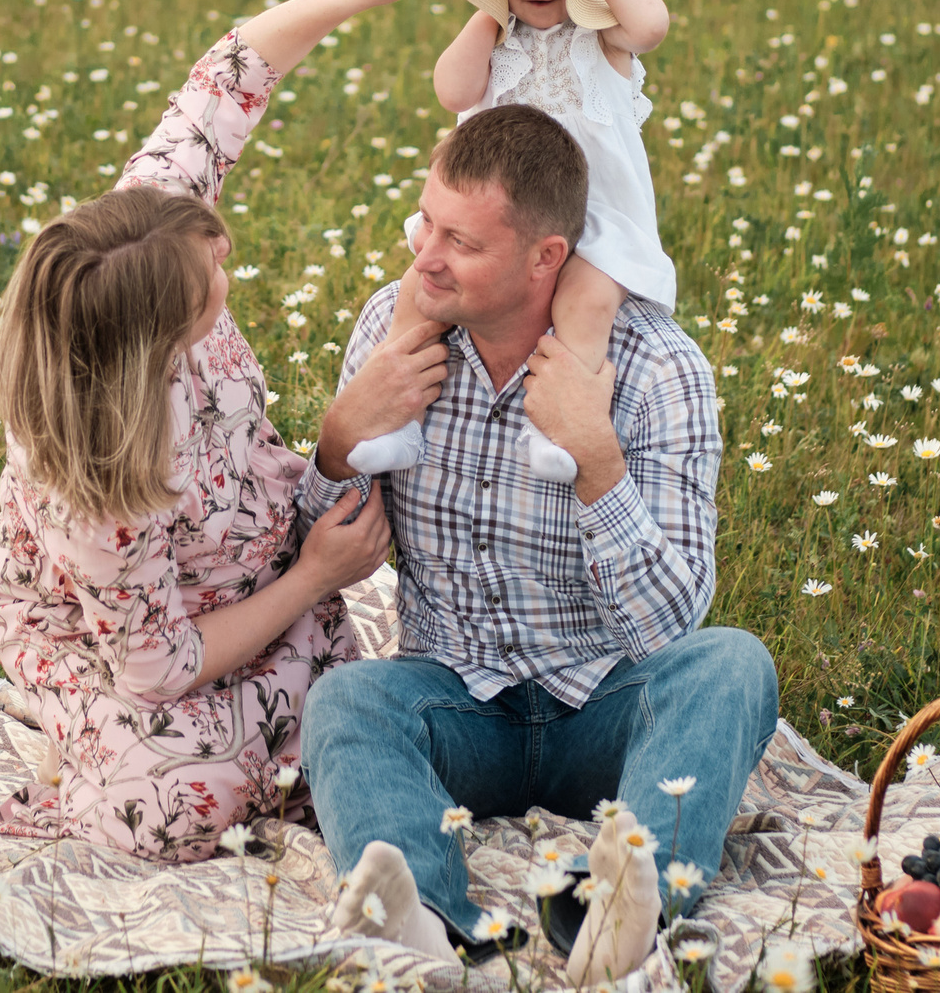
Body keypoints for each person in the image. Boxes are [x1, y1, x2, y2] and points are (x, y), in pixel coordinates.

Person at [0, 0, 476, 862]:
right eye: (215, 276)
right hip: (115, 634)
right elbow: (158, 666)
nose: (226, 266)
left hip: (248, 571)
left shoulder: (141, 226)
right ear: (158, 342)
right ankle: (107, 723)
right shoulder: (97, 477)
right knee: (172, 806)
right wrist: (315, 577)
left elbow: (229, 76)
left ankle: (285, 689)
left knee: (347, 722)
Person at [298, 106, 778, 981]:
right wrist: (336, 443)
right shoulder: (394, 331)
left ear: (545, 256)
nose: (425, 257)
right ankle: (424, 915)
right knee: (345, 701)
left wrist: (596, 460)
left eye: (462, 242)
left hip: (606, 705)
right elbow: (315, 552)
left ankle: (616, 913)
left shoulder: (657, 367)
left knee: (733, 665)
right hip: (454, 699)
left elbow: (669, 626)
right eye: (427, 223)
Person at [347, 0, 674, 485]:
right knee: (418, 292)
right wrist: (489, 12)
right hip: (493, 221)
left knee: (584, 303)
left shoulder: (602, 36)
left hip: (593, 219)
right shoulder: (496, 39)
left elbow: (653, 25)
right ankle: (398, 420)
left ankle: (557, 426)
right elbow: (452, 91)